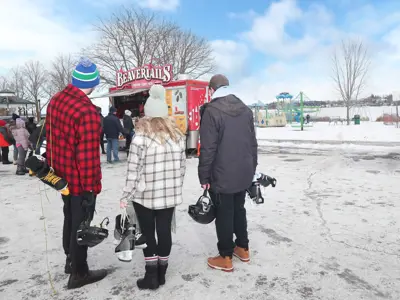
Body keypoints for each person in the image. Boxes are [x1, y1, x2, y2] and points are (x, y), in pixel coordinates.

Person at [46, 57, 107, 289]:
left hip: (61, 176)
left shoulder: (56, 100)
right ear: (93, 83)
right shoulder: (87, 112)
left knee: (70, 218)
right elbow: (88, 157)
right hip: (80, 180)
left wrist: (54, 173)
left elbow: (51, 139)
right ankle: (79, 272)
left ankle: (70, 261)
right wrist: (92, 187)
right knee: (81, 224)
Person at [120, 84, 186, 290]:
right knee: (164, 231)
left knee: (148, 234)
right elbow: (182, 168)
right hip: (169, 195)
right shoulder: (178, 138)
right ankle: (162, 273)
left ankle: (151, 276)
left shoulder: (140, 139)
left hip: (145, 195)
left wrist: (125, 195)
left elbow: (133, 172)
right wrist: (175, 187)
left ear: (146, 115)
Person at [198, 74, 258, 272]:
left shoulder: (212, 111)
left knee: (224, 213)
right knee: (238, 209)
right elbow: (252, 144)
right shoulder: (246, 110)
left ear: (211, 90)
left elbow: (208, 148)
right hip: (243, 171)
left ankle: (225, 256)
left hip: (222, 173)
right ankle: (243, 247)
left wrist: (204, 176)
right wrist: (252, 169)